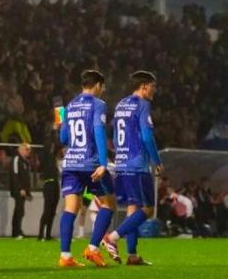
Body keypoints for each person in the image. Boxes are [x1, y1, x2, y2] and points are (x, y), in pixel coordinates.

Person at [102, 71, 163, 266]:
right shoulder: (143, 105)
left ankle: (132, 255)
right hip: (137, 164)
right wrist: (157, 160)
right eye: (153, 85)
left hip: (121, 163)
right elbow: (146, 136)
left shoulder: (121, 104)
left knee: (132, 209)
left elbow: (112, 134)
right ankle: (112, 237)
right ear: (144, 86)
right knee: (147, 209)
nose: (155, 89)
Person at [57, 70, 115, 268]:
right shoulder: (98, 105)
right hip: (90, 163)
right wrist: (103, 164)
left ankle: (65, 256)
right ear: (98, 85)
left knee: (70, 208)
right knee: (109, 204)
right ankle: (92, 249)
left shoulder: (70, 106)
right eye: (103, 86)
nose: (104, 90)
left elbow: (63, 139)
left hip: (71, 163)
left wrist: (59, 124)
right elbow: (99, 132)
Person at [38, 126, 61, 241]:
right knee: (47, 210)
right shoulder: (45, 157)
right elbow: (48, 144)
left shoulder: (52, 157)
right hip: (49, 184)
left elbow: (57, 146)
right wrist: (53, 130)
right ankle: (41, 234)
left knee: (52, 210)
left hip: (55, 183)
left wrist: (56, 131)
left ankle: (47, 234)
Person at [9, 143, 33, 238]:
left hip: (22, 190)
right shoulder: (17, 159)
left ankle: (18, 230)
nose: (28, 152)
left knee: (20, 211)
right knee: (19, 210)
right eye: (26, 149)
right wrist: (20, 189)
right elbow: (15, 175)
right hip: (18, 190)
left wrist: (27, 191)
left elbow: (26, 178)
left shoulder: (24, 161)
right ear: (21, 149)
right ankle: (16, 232)